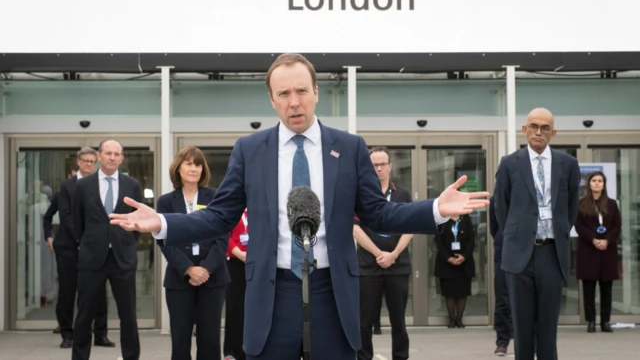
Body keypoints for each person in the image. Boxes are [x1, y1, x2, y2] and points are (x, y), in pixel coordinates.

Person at [110, 54, 490, 360]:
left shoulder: (350, 147)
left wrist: (436, 209)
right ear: (271, 99)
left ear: (317, 92)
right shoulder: (250, 150)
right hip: (272, 290)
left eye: (302, 91)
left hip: (332, 288)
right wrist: (161, 222)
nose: (294, 102)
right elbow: (219, 216)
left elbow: (378, 213)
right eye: (284, 94)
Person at [494, 108, 580, 360]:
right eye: (533, 126)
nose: (538, 132)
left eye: (544, 128)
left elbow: (571, 207)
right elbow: (501, 208)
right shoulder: (510, 163)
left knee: (548, 327)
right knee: (520, 326)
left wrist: (558, 232)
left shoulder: (568, 164)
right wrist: (517, 237)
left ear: (553, 133)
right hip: (520, 254)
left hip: (551, 253)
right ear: (525, 130)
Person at [72, 139, 142, 360]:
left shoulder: (132, 185)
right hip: (92, 258)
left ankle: (131, 357)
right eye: (108, 153)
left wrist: (124, 240)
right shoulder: (83, 185)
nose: (112, 157)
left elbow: (137, 221)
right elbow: (77, 221)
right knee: (84, 315)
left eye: (116, 154)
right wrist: (91, 242)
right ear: (99, 156)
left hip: (122, 258)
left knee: (128, 316)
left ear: (121, 158)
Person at [158, 146, 229, 360]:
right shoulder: (166, 201)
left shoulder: (216, 197)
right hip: (179, 279)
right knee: (180, 340)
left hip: (213, 277)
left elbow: (223, 236)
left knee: (210, 340)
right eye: (188, 164)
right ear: (178, 168)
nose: (193, 168)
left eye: (197, 164)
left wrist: (205, 268)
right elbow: (164, 240)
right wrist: (189, 268)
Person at [353, 147, 413, 360]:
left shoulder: (402, 194)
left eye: (382, 164)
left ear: (390, 166)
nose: (379, 169)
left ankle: (400, 357)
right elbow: (354, 227)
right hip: (368, 266)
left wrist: (393, 254)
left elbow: (410, 227)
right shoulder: (360, 194)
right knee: (364, 321)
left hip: (397, 266)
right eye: (374, 165)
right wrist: (379, 253)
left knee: (399, 321)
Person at [51, 152, 112, 349]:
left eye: (92, 161)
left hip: (95, 248)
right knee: (68, 291)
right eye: (85, 161)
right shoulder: (67, 186)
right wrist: (81, 238)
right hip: (70, 247)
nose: (88, 164)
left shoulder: (101, 184)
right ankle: (68, 334)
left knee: (99, 292)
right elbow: (67, 216)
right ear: (78, 163)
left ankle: (100, 334)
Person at [574, 171, 621, 333]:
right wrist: (594, 239)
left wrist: (607, 240)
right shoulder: (581, 203)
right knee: (589, 289)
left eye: (600, 181)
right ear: (589, 184)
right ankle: (591, 321)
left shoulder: (612, 204)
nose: (597, 183)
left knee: (606, 288)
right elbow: (578, 226)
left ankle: (605, 321)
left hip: (607, 251)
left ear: (604, 184)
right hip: (589, 250)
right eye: (594, 180)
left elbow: (617, 226)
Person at [434, 214, 475, 329]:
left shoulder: (465, 218)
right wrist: (448, 258)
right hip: (446, 262)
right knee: (449, 292)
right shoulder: (441, 219)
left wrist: (464, 256)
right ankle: (452, 320)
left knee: (462, 292)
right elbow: (438, 242)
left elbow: (471, 240)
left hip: (464, 262)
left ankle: (459, 320)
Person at [223, 209, 249, 360]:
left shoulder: (258, 207)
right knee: (235, 308)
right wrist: (237, 252)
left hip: (256, 262)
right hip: (234, 262)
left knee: (254, 309)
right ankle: (232, 352)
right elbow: (224, 232)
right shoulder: (232, 208)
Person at [489, 196, 511, 356]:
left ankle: (535, 342)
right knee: (502, 299)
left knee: (529, 300)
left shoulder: (529, 194)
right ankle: (502, 341)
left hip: (527, 252)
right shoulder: (496, 200)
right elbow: (493, 228)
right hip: (503, 252)